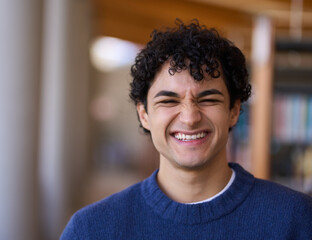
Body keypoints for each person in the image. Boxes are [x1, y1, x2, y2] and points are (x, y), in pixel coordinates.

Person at [61, 19, 312, 239]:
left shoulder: (296, 220)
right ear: (144, 115)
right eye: (169, 101)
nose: (190, 118)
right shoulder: (91, 230)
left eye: (208, 99)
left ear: (234, 111)